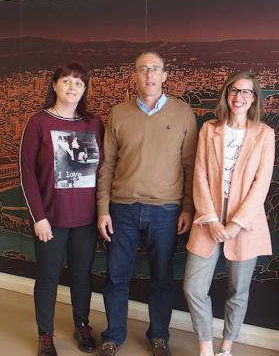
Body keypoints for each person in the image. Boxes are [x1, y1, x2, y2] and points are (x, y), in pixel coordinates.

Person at [95, 51, 198, 356]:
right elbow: (107, 164)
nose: (149, 75)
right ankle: (113, 336)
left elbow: (190, 165)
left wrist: (188, 207)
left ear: (165, 76)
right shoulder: (118, 113)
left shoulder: (183, 113)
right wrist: (102, 208)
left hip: (166, 211)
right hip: (122, 208)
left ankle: (159, 335)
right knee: (116, 278)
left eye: (155, 69)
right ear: (135, 76)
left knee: (163, 279)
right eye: (143, 70)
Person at [184, 71, 275, 356]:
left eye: (246, 92)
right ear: (226, 94)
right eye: (234, 91)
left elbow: (262, 184)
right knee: (193, 287)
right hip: (207, 217)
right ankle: (206, 348)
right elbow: (198, 175)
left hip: (245, 223)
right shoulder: (209, 129)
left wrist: (236, 223)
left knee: (238, 291)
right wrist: (211, 218)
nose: (239, 97)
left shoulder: (264, 134)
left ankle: (226, 347)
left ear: (254, 98)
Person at [20, 62, 103, 356]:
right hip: (51, 220)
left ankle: (82, 324)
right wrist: (38, 217)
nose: (72, 87)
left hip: (85, 221)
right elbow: (26, 172)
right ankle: (45, 335)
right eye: (66, 81)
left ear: (85, 90)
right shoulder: (38, 122)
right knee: (48, 277)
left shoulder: (93, 124)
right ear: (54, 85)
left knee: (82, 275)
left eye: (79, 83)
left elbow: (103, 170)